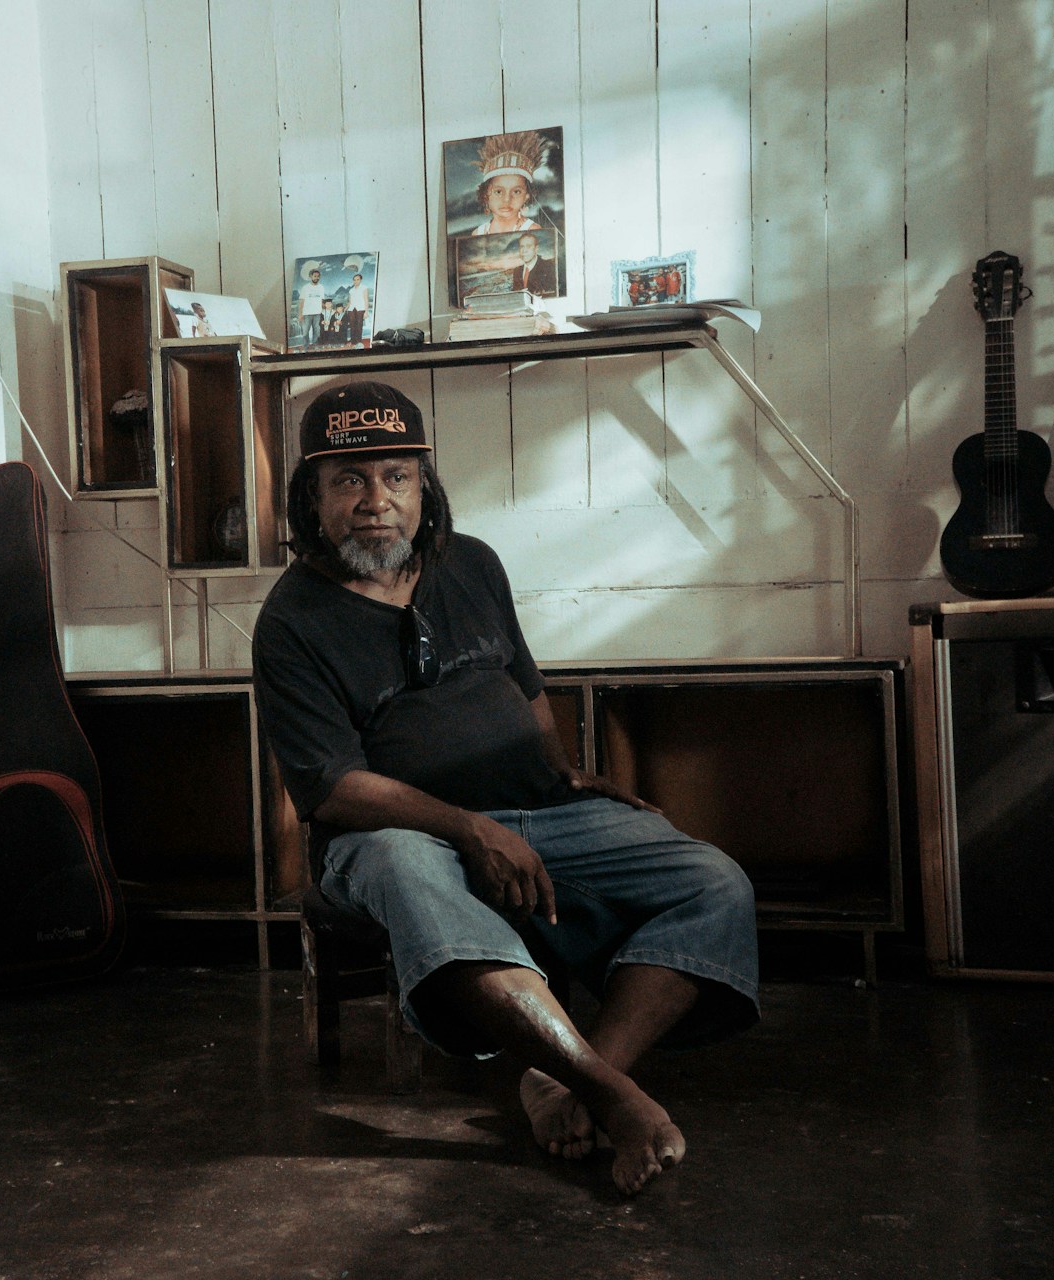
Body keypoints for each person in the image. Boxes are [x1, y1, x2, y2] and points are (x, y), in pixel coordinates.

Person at [252, 381, 760, 1196]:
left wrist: (561, 768)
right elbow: (331, 787)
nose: (375, 502)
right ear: (311, 499)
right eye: (348, 481)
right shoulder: (291, 622)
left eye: (396, 477)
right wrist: (468, 828)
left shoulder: (473, 565)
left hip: (537, 806)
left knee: (710, 881)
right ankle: (613, 1096)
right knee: (409, 871)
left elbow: (525, 685)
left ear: (425, 486)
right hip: (387, 836)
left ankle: (573, 1078)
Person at [297, 266, 327, 347]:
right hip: (307, 314)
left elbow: (321, 301)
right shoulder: (305, 288)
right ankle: (306, 346)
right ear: (310, 276)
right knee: (305, 331)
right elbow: (301, 301)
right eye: (315, 276)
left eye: (318, 276)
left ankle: (315, 344)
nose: (316, 278)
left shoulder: (321, 287)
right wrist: (300, 314)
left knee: (317, 331)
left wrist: (328, 307)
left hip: (318, 313)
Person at [345, 272, 371, 346]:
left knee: (359, 326)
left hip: (360, 309)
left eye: (357, 279)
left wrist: (366, 312)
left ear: (360, 280)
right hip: (351, 310)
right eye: (354, 280)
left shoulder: (364, 288)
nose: (356, 281)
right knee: (352, 326)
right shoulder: (351, 290)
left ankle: (359, 341)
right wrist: (345, 309)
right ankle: (353, 341)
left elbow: (366, 299)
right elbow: (350, 302)